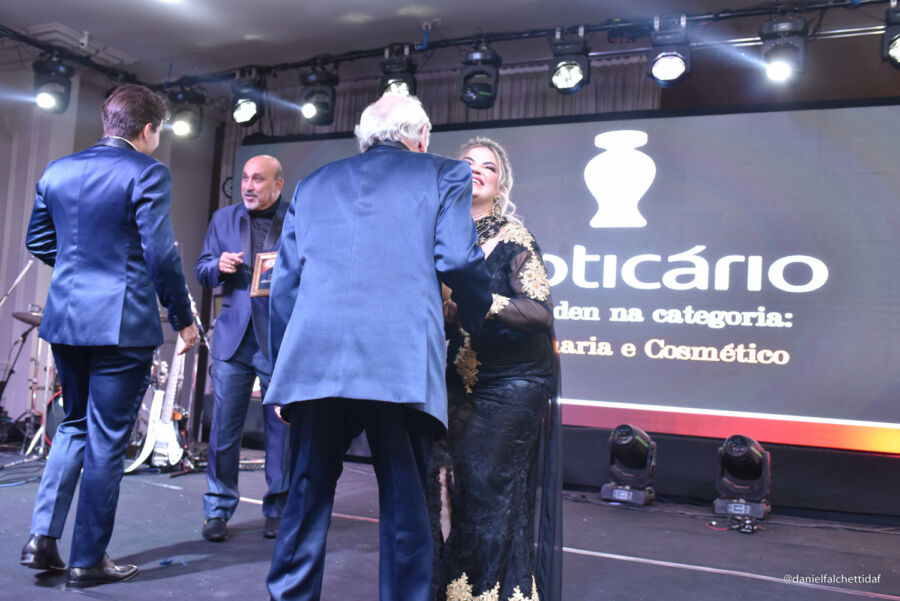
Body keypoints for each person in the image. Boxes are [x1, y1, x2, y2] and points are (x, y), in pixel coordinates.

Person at [264, 93, 492, 601]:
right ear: (421, 137)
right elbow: (458, 260)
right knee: (405, 508)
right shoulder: (443, 173)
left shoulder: (313, 183)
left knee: (304, 499)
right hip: (400, 363)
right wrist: (476, 316)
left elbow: (285, 286)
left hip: (315, 362)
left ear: (364, 137)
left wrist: (283, 371)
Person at [20, 84, 199, 588]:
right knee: (106, 441)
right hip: (122, 325)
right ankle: (87, 560)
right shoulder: (147, 171)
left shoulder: (58, 170)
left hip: (66, 320)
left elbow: (38, 240)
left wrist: (82, 268)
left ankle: (41, 539)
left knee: (75, 425)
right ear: (149, 129)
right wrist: (183, 317)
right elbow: (161, 254)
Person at [429, 137, 562, 601]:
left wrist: (481, 300)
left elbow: (539, 311)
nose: (476, 170)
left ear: (500, 184)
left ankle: (486, 592)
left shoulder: (514, 237)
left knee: (490, 487)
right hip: (460, 379)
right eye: (467, 163)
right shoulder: (440, 237)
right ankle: (464, 587)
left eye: (488, 166)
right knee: (453, 484)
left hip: (515, 381)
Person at [195, 154, 291, 542]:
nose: (249, 186)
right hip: (233, 338)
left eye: (258, 179)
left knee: (281, 431)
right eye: (245, 179)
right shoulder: (223, 219)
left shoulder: (296, 219)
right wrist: (217, 266)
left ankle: (278, 508)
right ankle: (217, 509)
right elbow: (202, 269)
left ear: (278, 184)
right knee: (223, 429)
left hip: (277, 338)